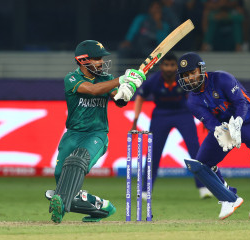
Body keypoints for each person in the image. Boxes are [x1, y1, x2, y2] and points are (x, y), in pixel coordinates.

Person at [45, 40, 146, 223]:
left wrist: (128, 89)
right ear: (83, 61)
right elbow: (92, 90)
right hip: (73, 134)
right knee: (61, 178)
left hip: (96, 135)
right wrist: (122, 79)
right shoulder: (72, 79)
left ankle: (59, 210)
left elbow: (119, 100)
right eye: (97, 59)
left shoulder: (106, 79)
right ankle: (103, 207)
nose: (101, 62)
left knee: (78, 160)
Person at [177, 52, 250, 221]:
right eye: (185, 76)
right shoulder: (192, 101)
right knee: (200, 164)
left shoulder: (222, 79)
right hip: (226, 128)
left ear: (201, 69)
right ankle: (228, 197)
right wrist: (220, 131)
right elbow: (209, 121)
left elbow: (240, 102)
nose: (190, 78)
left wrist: (238, 122)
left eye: (192, 72)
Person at [131, 52, 236, 199]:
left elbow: (197, 97)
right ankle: (145, 190)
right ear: (161, 66)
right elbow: (140, 97)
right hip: (160, 115)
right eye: (166, 65)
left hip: (183, 114)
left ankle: (204, 187)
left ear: (176, 66)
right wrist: (135, 121)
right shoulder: (154, 80)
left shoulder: (183, 79)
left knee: (196, 152)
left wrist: (206, 119)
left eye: (172, 65)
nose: (169, 68)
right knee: (153, 154)